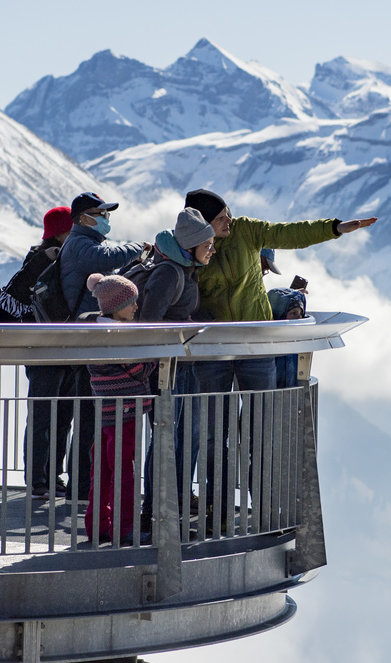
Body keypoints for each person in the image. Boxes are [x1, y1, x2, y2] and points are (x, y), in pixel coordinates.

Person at [183, 187, 376, 524]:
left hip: (257, 347)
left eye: (227, 212)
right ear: (203, 225)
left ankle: (267, 510)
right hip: (213, 350)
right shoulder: (195, 249)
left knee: (261, 430)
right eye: (219, 218)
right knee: (216, 433)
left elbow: (288, 233)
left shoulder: (246, 230)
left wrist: (333, 228)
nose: (228, 220)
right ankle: (218, 508)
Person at [56, 192, 148, 499]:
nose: (106, 219)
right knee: (88, 416)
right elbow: (107, 260)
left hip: (89, 340)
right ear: (83, 218)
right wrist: (139, 247)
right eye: (100, 213)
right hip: (87, 340)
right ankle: (82, 485)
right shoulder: (82, 244)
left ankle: (84, 485)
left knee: (90, 415)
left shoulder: (85, 243)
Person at [133, 208, 216, 524]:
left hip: (179, 365)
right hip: (166, 368)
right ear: (191, 246)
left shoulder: (183, 269)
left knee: (174, 433)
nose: (212, 250)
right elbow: (150, 322)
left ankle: (164, 503)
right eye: (207, 245)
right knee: (165, 433)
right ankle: (153, 507)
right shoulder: (170, 273)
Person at [0, 206, 75, 498]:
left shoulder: (52, 257)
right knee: (48, 414)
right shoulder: (44, 260)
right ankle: (41, 478)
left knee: (54, 414)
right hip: (49, 348)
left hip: (52, 348)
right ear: (62, 231)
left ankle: (47, 476)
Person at [82, 273, 153, 545]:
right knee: (125, 471)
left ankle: (97, 525)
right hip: (126, 409)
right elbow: (138, 370)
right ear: (116, 305)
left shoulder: (92, 330)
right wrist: (153, 359)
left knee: (101, 469)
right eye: (131, 302)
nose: (136, 307)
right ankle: (124, 529)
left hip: (105, 409)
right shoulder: (117, 335)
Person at [267, 286, 308, 389]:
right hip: (271, 399)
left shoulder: (296, 340)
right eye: (293, 313)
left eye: (300, 313)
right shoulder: (268, 341)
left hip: (289, 398)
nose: (298, 318)